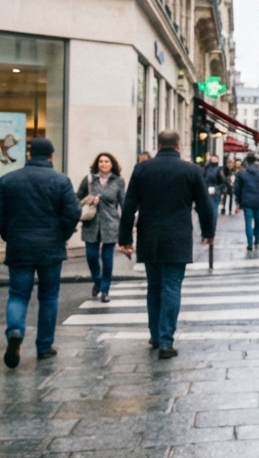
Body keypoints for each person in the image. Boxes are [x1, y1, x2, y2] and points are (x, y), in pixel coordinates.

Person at [118, 129, 215, 359]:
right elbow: (205, 205)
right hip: (178, 237)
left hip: (149, 236)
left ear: (158, 146)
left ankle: (155, 335)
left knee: (154, 286)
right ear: (178, 146)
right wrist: (208, 232)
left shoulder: (142, 169)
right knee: (171, 286)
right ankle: (166, 341)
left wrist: (125, 239)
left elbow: (129, 205)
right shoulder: (191, 170)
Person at [0, 138, 81, 367]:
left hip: (19, 245)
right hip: (50, 247)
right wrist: (62, 234)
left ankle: (15, 331)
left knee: (18, 294)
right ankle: (44, 346)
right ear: (51, 156)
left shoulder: (8, 180)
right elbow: (73, 212)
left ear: (29, 154)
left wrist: (8, 234)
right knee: (49, 296)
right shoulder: (60, 180)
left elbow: (1, 215)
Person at [77, 152, 126, 304]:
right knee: (91, 256)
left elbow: (123, 202)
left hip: (110, 223)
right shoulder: (89, 179)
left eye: (106, 161)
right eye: (101, 161)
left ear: (112, 164)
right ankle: (98, 281)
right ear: (97, 164)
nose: (103, 164)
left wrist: (128, 223)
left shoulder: (118, 181)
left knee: (107, 258)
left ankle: (105, 290)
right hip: (91, 223)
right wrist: (89, 200)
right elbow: (77, 198)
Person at [234, 152, 259, 250]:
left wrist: (238, 202)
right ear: (255, 161)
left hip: (246, 200)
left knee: (248, 222)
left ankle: (249, 243)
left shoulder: (241, 173)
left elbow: (237, 189)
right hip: (258, 200)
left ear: (246, 161)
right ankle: (257, 238)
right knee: (257, 220)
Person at [202, 155, 224, 220]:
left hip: (214, 190)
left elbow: (222, 181)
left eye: (215, 159)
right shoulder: (206, 168)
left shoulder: (218, 169)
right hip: (209, 189)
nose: (213, 160)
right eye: (212, 159)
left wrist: (216, 188)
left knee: (213, 207)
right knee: (211, 208)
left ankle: (211, 223)